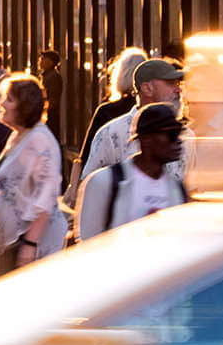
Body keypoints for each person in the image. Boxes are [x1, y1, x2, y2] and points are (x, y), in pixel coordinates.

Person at [0, 74, 67, 276]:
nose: (1, 103)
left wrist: (30, 244)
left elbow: (46, 195)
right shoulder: (17, 136)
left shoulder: (39, 140)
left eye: (9, 99)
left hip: (29, 243)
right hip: (10, 241)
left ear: (25, 106)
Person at [76, 103, 188, 241]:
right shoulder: (105, 182)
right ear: (146, 139)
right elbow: (88, 245)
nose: (178, 141)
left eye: (179, 133)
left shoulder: (177, 190)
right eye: (171, 134)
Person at [79, 57, 193, 187]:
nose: (178, 90)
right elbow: (88, 184)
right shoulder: (110, 133)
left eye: (178, 84)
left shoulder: (187, 136)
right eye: (170, 83)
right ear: (147, 88)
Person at [71, 47, 147, 188]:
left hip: (109, 187)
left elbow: (86, 154)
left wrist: (75, 185)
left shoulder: (106, 110)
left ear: (121, 74)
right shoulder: (153, 112)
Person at [37, 50, 64, 146]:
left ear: (51, 62)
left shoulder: (53, 77)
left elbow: (53, 99)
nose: (40, 61)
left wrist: (44, 111)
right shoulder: (47, 76)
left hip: (50, 117)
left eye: (43, 59)